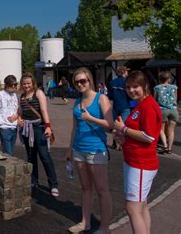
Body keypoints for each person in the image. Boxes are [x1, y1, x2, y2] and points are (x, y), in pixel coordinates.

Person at [113, 71, 162, 234]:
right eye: (128, 87)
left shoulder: (148, 106)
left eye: (135, 87)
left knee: (132, 208)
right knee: (141, 206)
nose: (131, 90)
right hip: (134, 161)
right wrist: (123, 137)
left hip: (141, 164)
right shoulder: (140, 104)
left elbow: (148, 137)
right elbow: (137, 133)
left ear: (145, 86)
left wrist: (124, 130)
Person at [66, 67, 113, 234]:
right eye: (77, 82)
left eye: (83, 81)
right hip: (79, 149)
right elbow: (74, 128)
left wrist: (91, 118)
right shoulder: (77, 102)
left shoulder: (101, 99)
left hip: (96, 149)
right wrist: (70, 149)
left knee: (101, 189)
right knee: (85, 187)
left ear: (89, 81)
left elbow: (110, 125)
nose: (80, 84)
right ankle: (85, 223)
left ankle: (104, 227)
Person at [17, 72, 59, 197]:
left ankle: (53, 184)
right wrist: (19, 119)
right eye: (24, 84)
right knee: (31, 157)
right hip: (27, 128)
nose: (26, 86)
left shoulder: (38, 93)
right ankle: (34, 180)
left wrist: (48, 127)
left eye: (28, 83)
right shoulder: (22, 97)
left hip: (38, 128)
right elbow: (20, 112)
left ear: (33, 83)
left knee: (45, 156)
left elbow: (44, 110)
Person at [154, 71, 178, 154]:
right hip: (173, 109)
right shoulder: (174, 87)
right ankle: (170, 148)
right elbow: (175, 98)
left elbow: (155, 100)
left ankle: (164, 145)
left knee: (161, 129)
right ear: (168, 79)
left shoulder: (157, 88)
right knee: (171, 130)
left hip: (162, 110)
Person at [108, 66, 131, 151]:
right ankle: (121, 144)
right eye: (127, 72)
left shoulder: (112, 83)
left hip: (115, 107)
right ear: (124, 72)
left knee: (115, 126)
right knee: (123, 126)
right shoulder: (127, 83)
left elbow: (109, 96)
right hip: (125, 106)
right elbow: (130, 96)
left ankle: (114, 143)